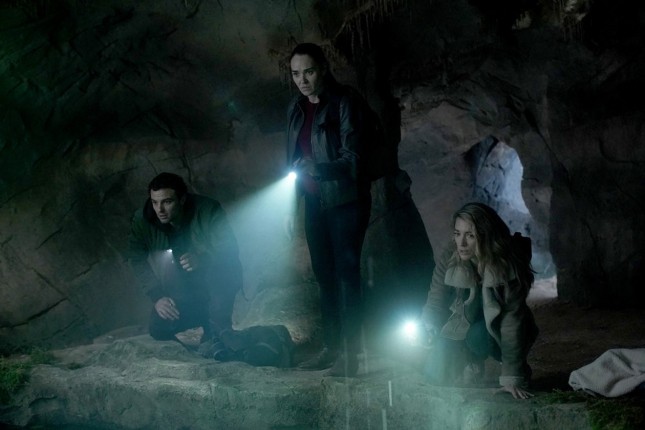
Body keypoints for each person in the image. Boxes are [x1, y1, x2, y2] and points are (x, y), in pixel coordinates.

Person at [285, 42, 372, 377]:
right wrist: (292, 205)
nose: (302, 80)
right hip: (314, 202)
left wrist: (318, 169)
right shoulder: (296, 108)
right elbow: (292, 161)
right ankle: (331, 348)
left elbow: (355, 159)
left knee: (346, 276)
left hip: (346, 201)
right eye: (296, 74)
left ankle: (351, 355)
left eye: (308, 71)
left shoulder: (345, 101)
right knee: (324, 275)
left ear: (323, 68)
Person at [421, 202, 538, 399]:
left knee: (478, 336)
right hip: (463, 319)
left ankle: (511, 365)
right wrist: (429, 324)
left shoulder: (508, 263)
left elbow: (512, 322)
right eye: (457, 234)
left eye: (470, 235)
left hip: (497, 324)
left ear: (486, 235)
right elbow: (436, 296)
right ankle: (470, 361)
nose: (461, 243)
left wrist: (512, 376)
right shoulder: (451, 254)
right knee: (434, 377)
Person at [127, 172, 243, 359]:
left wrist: (202, 259)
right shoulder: (143, 219)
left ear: (182, 199)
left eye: (167, 202)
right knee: (158, 328)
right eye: (155, 202)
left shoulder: (208, 210)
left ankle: (215, 327)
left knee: (219, 338)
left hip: (214, 282)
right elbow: (135, 258)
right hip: (180, 286)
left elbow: (229, 250)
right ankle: (204, 324)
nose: (159, 209)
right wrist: (157, 296)